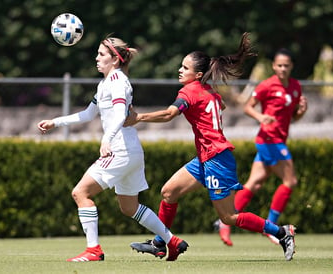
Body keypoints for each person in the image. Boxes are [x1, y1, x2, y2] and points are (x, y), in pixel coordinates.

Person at [126, 33, 296, 261]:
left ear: (197, 74)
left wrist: (138, 118)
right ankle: (159, 243)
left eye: (184, 68)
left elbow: (169, 114)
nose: (180, 70)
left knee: (229, 217)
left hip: (216, 158)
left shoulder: (190, 91)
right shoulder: (209, 92)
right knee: (168, 192)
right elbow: (221, 105)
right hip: (207, 158)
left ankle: (282, 233)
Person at [37, 36, 188, 262]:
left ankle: (93, 250)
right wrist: (56, 122)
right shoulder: (106, 83)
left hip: (120, 150)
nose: (96, 58)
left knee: (80, 193)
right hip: (131, 151)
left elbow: (119, 114)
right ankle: (172, 241)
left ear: (115, 60)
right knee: (130, 208)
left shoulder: (117, 80)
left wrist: (107, 139)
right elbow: (88, 114)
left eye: (101, 54)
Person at [216, 48, 308, 247]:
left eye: (286, 65)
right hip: (269, 140)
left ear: (291, 66)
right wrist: (261, 117)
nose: (283, 68)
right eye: (279, 65)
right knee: (290, 180)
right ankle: (272, 226)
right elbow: (247, 106)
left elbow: (294, 118)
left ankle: (224, 222)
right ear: (274, 66)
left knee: (254, 183)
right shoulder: (267, 85)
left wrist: (302, 111)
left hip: (278, 140)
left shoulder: (295, 86)